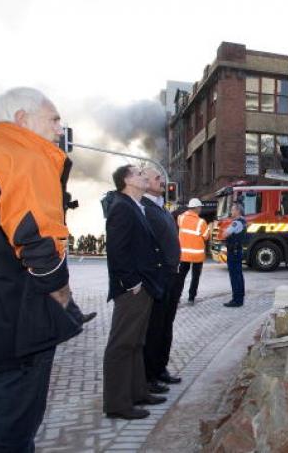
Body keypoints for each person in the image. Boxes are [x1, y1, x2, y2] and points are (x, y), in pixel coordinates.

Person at [0, 87, 82, 451]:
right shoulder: (23, 155)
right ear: (22, 119)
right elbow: (38, 240)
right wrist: (60, 297)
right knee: (12, 433)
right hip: (13, 324)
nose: (60, 129)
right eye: (54, 119)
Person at [103, 165, 166, 420]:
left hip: (144, 286)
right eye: (140, 174)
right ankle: (117, 403)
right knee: (121, 344)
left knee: (136, 342)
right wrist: (132, 283)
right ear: (127, 180)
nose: (145, 177)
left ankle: (138, 392)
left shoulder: (134, 206)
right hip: (132, 289)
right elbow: (117, 252)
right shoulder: (121, 207)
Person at [141, 168, 183, 387]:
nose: (163, 182)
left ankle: (161, 368)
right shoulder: (144, 208)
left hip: (172, 276)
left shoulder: (161, 207)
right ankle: (149, 376)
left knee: (167, 325)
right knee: (154, 327)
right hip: (159, 276)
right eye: (158, 178)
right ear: (145, 182)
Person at [177, 198, 209, 305]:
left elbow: (179, 223)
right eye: (199, 207)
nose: (200, 209)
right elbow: (206, 237)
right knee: (195, 277)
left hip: (184, 255)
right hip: (197, 256)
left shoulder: (181, 218)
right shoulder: (201, 222)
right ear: (196, 208)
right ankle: (191, 298)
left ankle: (177, 297)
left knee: (181, 277)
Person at [223, 203, 247, 307]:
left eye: (232, 210)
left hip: (234, 252)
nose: (231, 212)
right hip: (237, 251)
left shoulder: (236, 223)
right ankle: (239, 298)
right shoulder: (243, 221)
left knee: (235, 276)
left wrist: (225, 231)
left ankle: (236, 300)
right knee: (239, 275)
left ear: (238, 211)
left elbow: (225, 234)